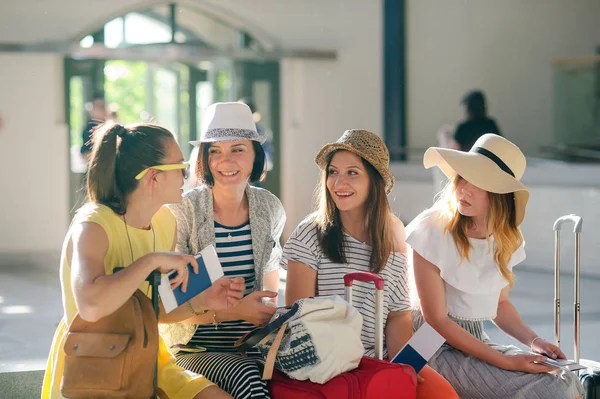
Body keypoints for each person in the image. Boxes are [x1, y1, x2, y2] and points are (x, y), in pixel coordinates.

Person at [42, 121, 244, 399]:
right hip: (94, 364)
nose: (186, 175)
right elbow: (90, 306)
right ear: (153, 177)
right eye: (180, 167)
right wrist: (151, 261)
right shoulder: (92, 226)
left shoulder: (165, 222)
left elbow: (151, 311)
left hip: (147, 355)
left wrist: (202, 301)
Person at [282, 129, 458, 399]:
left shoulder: (394, 232)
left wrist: (402, 366)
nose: (339, 182)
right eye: (333, 172)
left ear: (373, 182)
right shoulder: (309, 233)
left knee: (442, 394)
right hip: (326, 362)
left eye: (352, 172)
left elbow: (398, 313)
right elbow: (299, 319)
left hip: (381, 358)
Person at [407, 134, 584, 398]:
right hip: (427, 347)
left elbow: (500, 306)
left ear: (500, 194)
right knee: (549, 390)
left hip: (476, 342)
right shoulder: (431, 229)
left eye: (477, 182)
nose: (464, 188)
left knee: (565, 380)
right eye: (462, 177)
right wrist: (507, 361)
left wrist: (536, 342)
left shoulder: (506, 240)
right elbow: (437, 320)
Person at [160, 102, 285, 399]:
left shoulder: (269, 208)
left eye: (237, 149)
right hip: (195, 349)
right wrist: (236, 310)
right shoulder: (183, 211)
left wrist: (269, 316)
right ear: (204, 157)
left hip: (251, 346)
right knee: (247, 379)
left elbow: (270, 291)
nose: (225, 161)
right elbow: (168, 307)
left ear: (256, 155)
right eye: (215, 151)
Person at [80, 93, 107, 159]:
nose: (101, 110)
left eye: (103, 106)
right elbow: (84, 154)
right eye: (98, 106)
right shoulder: (89, 130)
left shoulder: (108, 126)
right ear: (92, 109)